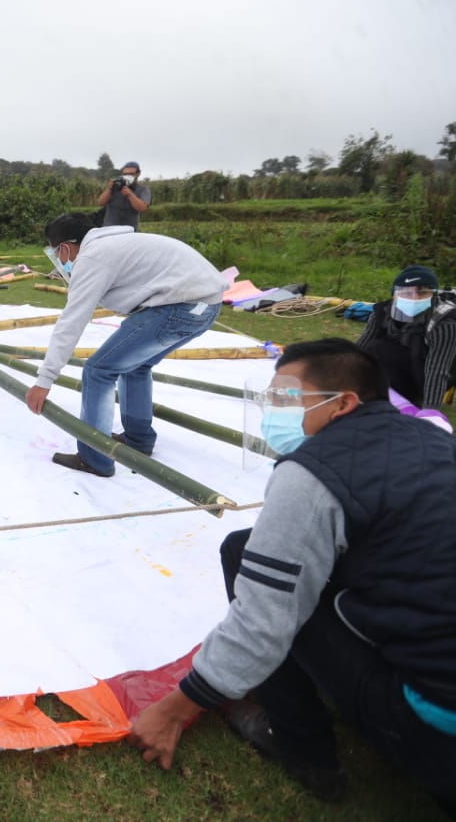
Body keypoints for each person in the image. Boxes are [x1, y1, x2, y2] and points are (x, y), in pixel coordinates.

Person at [127, 338, 456, 813]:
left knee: (244, 553)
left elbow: (263, 621)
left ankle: (304, 748)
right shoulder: (433, 439)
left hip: (439, 725)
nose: (271, 411)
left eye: (284, 399)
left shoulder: (314, 474)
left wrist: (175, 709)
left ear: (343, 403)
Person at [25, 212, 226, 475]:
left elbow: (71, 322)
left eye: (57, 254)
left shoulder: (92, 257)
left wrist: (44, 380)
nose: (61, 262)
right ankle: (138, 440)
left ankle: (94, 457)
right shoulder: (114, 245)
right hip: (207, 306)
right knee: (135, 366)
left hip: (179, 308)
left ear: (65, 247)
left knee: (98, 370)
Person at [356, 264, 456, 412]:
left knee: (393, 350)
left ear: (433, 296)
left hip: (431, 369)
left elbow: (437, 370)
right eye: (407, 293)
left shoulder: (444, 324)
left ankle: (409, 400)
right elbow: (358, 351)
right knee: (373, 349)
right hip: (400, 365)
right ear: (394, 295)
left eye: (422, 293)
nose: (414, 298)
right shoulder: (382, 313)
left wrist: (430, 412)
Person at [96, 161, 151, 229]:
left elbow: (142, 208)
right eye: (125, 174)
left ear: (138, 174)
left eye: (131, 174)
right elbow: (100, 202)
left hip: (129, 229)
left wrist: (130, 194)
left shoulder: (143, 190)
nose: (127, 176)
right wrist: (109, 189)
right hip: (109, 228)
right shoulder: (116, 186)